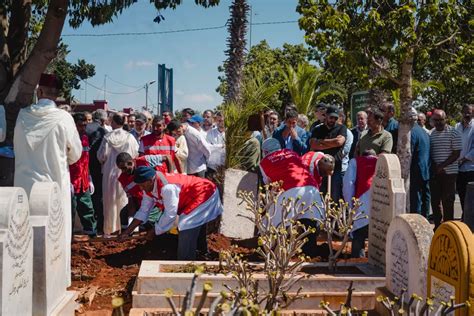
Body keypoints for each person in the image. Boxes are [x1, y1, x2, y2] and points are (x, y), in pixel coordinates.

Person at [14, 73, 82, 286]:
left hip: (25, 186)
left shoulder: (22, 116)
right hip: (53, 185)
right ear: (57, 95)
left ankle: (24, 281)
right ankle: (56, 281)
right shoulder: (63, 118)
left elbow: (17, 146)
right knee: (55, 233)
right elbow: (76, 154)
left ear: (39, 91)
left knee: (25, 234)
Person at [120, 166, 223, 260]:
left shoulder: (167, 188)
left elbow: (170, 215)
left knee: (186, 226)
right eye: (139, 186)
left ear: (151, 181)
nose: (141, 188)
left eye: (142, 185)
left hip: (205, 193)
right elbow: (143, 211)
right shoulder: (148, 186)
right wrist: (127, 231)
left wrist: (155, 230)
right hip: (192, 197)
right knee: (193, 224)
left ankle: (185, 261)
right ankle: (201, 252)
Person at [259, 138, 324, 257]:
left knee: (278, 223)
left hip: (289, 190)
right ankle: (309, 252)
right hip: (311, 187)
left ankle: (277, 252)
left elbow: (268, 184)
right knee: (309, 222)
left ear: (265, 151)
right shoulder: (292, 153)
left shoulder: (264, 162)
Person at [97, 113, 139, 236]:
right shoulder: (130, 137)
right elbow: (135, 154)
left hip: (110, 173)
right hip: (126, 173)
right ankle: (127, 228)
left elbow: (101, 156)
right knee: (126, 200)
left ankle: (110, 230)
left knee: (110, 202)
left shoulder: (107, 137)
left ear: (113, 122)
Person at [116, 152, 174, 229]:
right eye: (121, 169)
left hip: (156, 201)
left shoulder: (144, 161)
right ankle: (127, 236)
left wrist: (171, 176)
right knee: (124, 214)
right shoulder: (122, 179)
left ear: (130, 163)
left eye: (124, 168)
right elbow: (131, 201)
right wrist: (131, 219)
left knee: (147, 223)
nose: (123, 171)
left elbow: (167, 157)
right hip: (142, 203)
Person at [429, 109, 462, 229]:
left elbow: (456, 153)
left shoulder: (454, 132)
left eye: (440, 120)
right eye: (435, 120)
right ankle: (438, 226)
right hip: (435, 172)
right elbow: (430, 153)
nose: (438, 122)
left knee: (448, 200)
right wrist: (435, 167)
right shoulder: (431, 133)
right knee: (435, 201)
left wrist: (442, 166)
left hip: (450, 173)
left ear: (445, 119)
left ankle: (449, 226)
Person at [342, 149, 378, 258]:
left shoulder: (355, 162)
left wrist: (350, 206)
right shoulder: (381, 161)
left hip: (362, 202)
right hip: (380, 202)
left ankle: (357, 260)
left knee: (359, 234)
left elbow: (348, 185)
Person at [310, 105, 347, 201]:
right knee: (318, 195)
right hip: (319, 169)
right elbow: (313, 145)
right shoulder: (318, 129)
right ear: (326, 116)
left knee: (334, 197)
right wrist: (333, 142)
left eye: (335, 118)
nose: (333, 120)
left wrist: (321, 141)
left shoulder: (341, 128)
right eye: (331, 117)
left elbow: (339, 142)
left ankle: (332, 216)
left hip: (335, 169)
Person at [70, 113, 97, 237]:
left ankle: (90, 232)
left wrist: (90, 177)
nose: (83, 128)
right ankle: (67, 236)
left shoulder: (85, 137)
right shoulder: (68, 138)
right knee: (70, 209)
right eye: (80, 125)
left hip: (83, 180)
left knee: (87, 208)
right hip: (72, 181)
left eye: (85, 125)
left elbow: (86, 160)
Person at [86, 109, 108, 233]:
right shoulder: (103, 131)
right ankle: (98, 225)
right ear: (103, 120)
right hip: (98, 168)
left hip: (84, 167)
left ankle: (88, 225)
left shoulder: (85, 128)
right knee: (98, 196)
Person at [409, 108, 431, 218]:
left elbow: (409, 152)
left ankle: (416, 221)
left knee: (415, 199)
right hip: (425, 169)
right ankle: (425, 218)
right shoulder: (423, 131)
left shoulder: (412, 132)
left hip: (416, 170)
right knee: (425, 197)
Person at [455, 104, 474, 216]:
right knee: (462, 194)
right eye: (465, 112)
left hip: (471, 168)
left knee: (471, 196)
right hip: (459, 169)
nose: (467, 114)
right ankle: (465, 217)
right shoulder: (457, 126)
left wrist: (464, 159)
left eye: (469, 112)